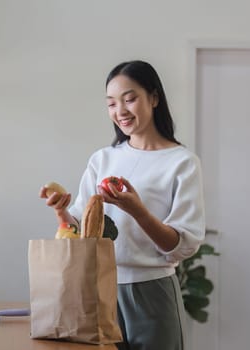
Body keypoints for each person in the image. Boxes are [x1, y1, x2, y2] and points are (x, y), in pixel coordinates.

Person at [39, 60, 205, 350]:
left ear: (154, 98)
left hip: (152, 291)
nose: (120, 111)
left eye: (130, 99)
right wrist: (60, 210)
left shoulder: (182, 163)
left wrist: (137, 210)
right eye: (112, 104)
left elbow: (182, 245)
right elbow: (80, 232)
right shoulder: (102, 159)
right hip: (99, 290)